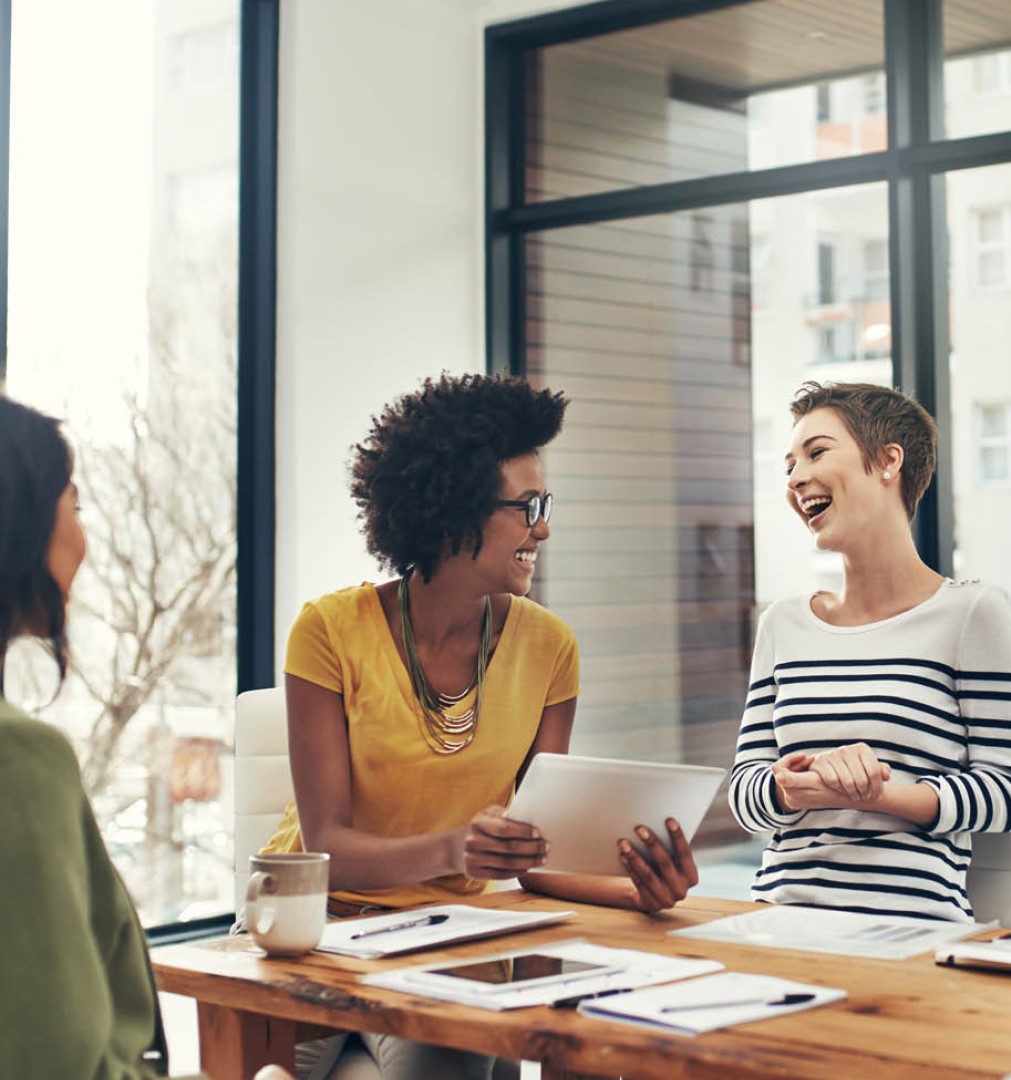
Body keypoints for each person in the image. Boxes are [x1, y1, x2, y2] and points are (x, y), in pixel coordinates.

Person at [260, 374, 698, 1078]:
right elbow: (327, 848)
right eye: (528, 506)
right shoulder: (328, 632)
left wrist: (639, 888)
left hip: (448, 944)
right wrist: (457, 850)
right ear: (451, 510)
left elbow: (539, 851)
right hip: (314, 929)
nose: (544, 527)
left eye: (545, 504)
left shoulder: (550, 649)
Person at [0, 396, 290, 1080]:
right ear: (21, 523)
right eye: (74, 505)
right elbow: (58, 1064)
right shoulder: (20, 761)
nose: (84, 539)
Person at [728, 381, 1011, 922]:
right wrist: (788, 788)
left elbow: (1008, 794)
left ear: (888, 460)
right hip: (776, 918)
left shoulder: (973, 613)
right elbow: (744, 794)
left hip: (911, 926)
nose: (797, 478)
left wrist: (880, 792)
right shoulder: (783, 623)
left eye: (817, 452)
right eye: (789, 466)